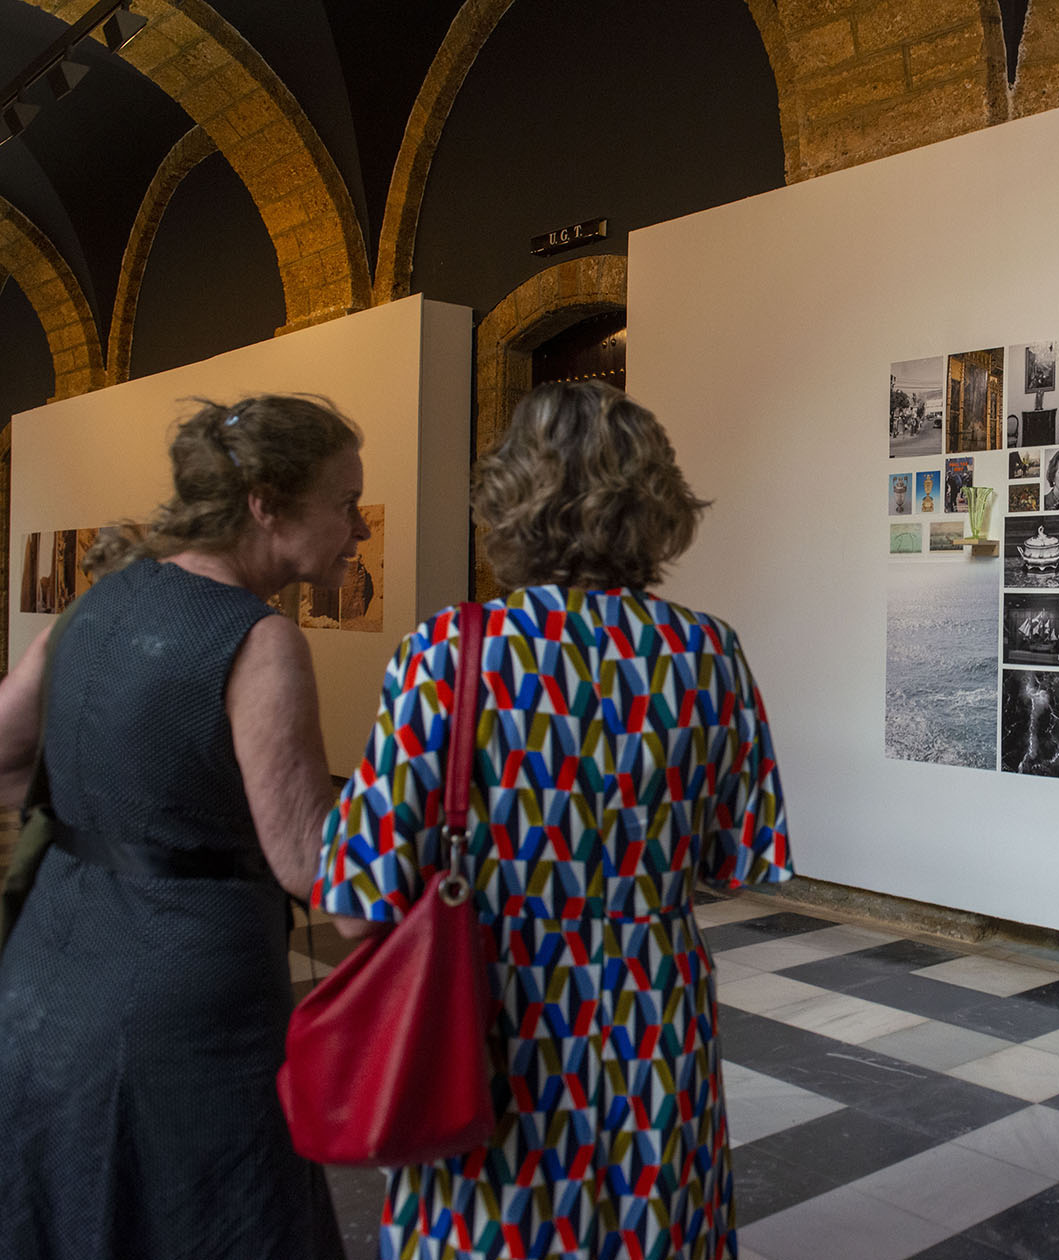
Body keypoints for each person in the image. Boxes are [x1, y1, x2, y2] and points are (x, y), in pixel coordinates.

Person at [314, 380, 792, 1260]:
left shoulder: (447, 653)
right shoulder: (708, 653)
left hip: (487, 1025)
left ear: (505, 500)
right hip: (653, 1024)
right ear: (658, 504)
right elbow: (740, 857)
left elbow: (355, 903)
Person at [0, 395, 362, 1259]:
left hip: (43, 984)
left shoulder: (93, 606)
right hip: (186, 1020)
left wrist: (105, 819)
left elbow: (8, 752)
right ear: (266, 504)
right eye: (344, 503)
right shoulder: (259, 639)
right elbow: (311, 864)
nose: (355, 529)